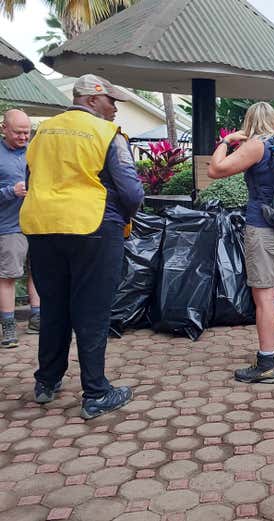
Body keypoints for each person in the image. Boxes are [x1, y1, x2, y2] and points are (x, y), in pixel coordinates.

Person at [22, 74, 143, 419]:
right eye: (111, 102)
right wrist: (124, 217)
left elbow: (32, 178)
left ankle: (46, 382)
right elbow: (132, 191)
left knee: (54, 305)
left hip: (42, 227)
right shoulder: (107, 134)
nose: (115, 109)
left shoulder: (42, 131)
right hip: (92, 227)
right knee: (92, 311)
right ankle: (96, 392)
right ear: (91, 99)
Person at [209, 101, 274, 383]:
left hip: (264, 227)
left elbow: (215, 170)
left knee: (264, 296)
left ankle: (266, 363)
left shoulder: (257, 145)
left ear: (250, 121)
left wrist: (226, 141)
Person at [0, 109, 40, 347]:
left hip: (37, 223)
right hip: (9, 226)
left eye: (27, 132)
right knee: (8, 277)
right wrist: (10, 192)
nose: (24, 137)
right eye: (19, 132)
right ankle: (8, 327)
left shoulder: (34, 153)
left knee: (39, 272)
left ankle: (38, 318)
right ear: (4, 128)